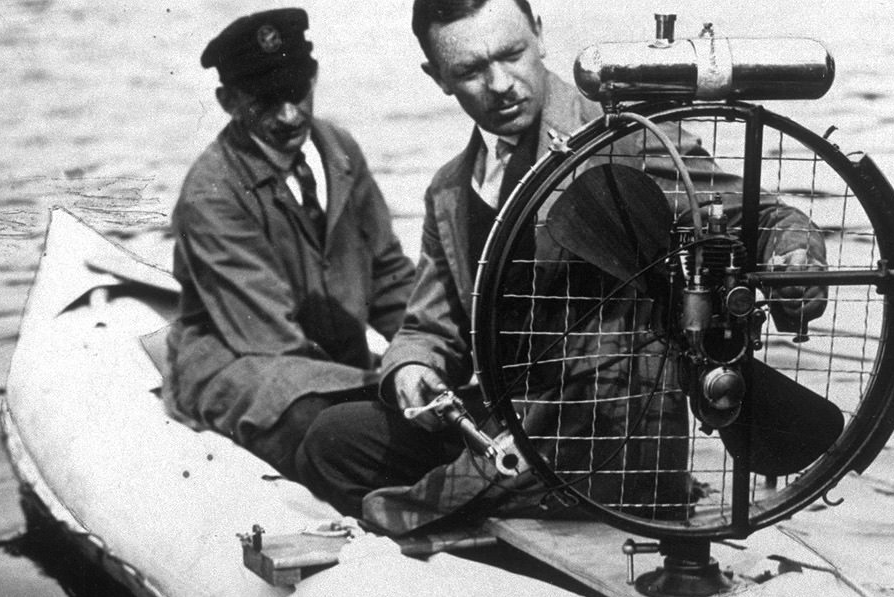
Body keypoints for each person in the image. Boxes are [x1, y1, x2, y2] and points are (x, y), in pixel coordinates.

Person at [294, 0, 824, 529]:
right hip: (502, 424)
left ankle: (479, 521)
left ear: (540, 36)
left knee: (400, 507)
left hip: (601, 428)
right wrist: (413, 369)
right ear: (438, 77)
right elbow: (430, 327)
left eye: (511, 54)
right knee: (332, 441)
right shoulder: (451, 190)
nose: (500, 84)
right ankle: (473, 517)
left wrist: (794, 261)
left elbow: (762, 218)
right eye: (471, 71)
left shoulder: (623, 139)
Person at [165, 8, 416, 476]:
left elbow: (388, 274)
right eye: (265, 99)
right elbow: (267, 336)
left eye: (297, 92)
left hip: (331, 368)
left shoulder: (338, 149)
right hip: (249, 370)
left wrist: (429, 354)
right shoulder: (209, 194)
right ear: (227, 101)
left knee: (421, 401)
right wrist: (386, 386)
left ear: (314, 78)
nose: (288, 114)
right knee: (328, 425)